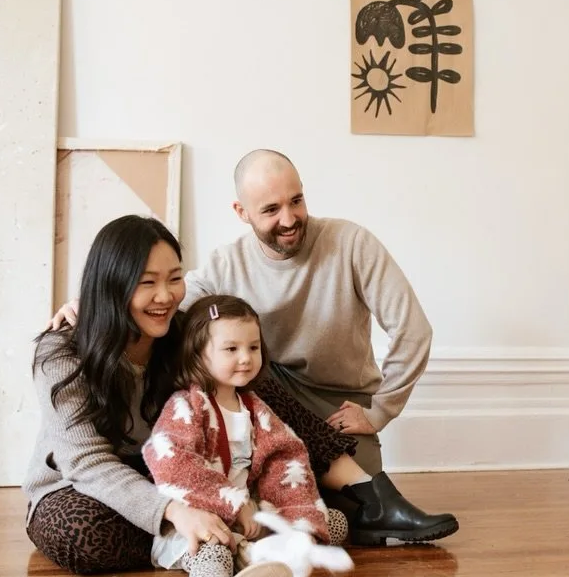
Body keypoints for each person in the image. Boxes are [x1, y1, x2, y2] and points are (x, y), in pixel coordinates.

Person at [25, 216, 374, 577]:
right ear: (111, 284)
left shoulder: (176, 335)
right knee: (83, 536)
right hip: (83, 486)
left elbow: (234, 341)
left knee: (244, 368)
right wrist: (176, 511)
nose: (165, 296)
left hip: (181, 475)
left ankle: (368, 494)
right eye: (146, 282)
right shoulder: (60, 352)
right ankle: (240, 541)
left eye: (174, 279)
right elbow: (85, 463)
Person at [180, 149, 459, 547]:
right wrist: (87, 306)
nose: (289, 219)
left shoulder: (350, 243)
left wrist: (380, 410)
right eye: (271, 209)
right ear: (242, 212)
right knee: (242, 364)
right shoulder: (227, 264)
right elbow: (168, 301)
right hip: (268, 401)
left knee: (352, 517)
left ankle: (309, 503)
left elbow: (414, 330)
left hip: (340, 407)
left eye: (297, 201)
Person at [142, 294, 351, 577]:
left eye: (253, 348)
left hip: (248, 518)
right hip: (199, 522)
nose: (245, 358)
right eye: (231, 349)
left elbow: (286, 460)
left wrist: (298, 519)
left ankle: (271, 559)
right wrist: (234, 505)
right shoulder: (187, 406)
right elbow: (172, 463)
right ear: (198, 353)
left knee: (332, 522)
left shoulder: (256, 409)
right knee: (213, 553)